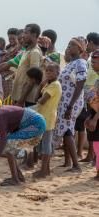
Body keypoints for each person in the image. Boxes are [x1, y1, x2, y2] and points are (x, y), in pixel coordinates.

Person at [0, 94, 45, 186]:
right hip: (36, 123)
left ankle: (15, 180)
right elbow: (6, 133)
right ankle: (19, 177)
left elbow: (3, 140)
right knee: (8, 145)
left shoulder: (0, 114)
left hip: (36, 125)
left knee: (8, 148)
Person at [53, 37, 88, 173]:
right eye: (68, 44)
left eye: (73, 45)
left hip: (71, 102)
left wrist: (70, 105)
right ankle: (67, 161)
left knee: (67, 130)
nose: (69, 47)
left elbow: (80, 83)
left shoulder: (80, 63)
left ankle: (76, 165)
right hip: (64, 101)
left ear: (80, 49)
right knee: (65, 129)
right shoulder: (70, 63)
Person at [32, 63, 62, 178]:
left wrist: (40, 96)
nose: (48, 73)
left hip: (48, 118)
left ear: (57, 73)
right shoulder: (48, 85)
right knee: (44, 144)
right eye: (47, 71)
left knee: (46, 145)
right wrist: (40, 86)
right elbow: (36, 99)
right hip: (43, 116)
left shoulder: (55, 85)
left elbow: (42, 101)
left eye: (51, 71)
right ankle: (46, 170)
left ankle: (44, 171)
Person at [79, 32, 99, 161]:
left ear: (90, 42)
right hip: (90, 97)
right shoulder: (91, 58)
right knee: (92, 128)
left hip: (95, 98)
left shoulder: (96, 57)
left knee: (96, 128)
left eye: (87, 43)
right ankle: (91, 155)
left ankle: (94, 156)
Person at [12, 24, 42, 107]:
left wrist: (21, 100)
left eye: (26, 33)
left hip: (26, 99)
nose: (23, 35)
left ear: (34, 35)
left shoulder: (35, 53)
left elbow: (32, 79)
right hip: (19, 96)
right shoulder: (27, 50)